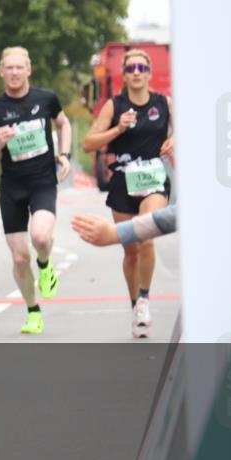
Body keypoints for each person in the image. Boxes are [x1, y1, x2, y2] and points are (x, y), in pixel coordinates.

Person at [81, 48, 173, 338]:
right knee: (131, 249)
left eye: (141, 68)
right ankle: (135, 305)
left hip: (155, 179)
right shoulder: (114, 106)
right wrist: (117, 130)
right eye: (131, 67)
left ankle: (144, 300)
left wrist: (176, 140)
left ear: (148, 73)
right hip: (123, 182)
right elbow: (88, 144)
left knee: (145, 237)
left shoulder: (164, 103)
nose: (136, 72)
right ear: (124, 73)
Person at [0, 46, 71, 335]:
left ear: (29, 70)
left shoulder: (46, 99)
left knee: (41, 236)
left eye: (20, 67)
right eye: (9, 67)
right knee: (20, 257)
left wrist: (64, 153)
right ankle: (33, 312)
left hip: (42, 181)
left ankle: (45, 266)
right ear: (1, 71)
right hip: (12, 187)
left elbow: (63, 123)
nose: (15, 72)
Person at [72, 205, 177, 248]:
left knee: (146, 244)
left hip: (153, 183)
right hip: (122, 183)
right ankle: (135, 294)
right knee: (131, 252)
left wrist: (115, 233)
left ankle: (144, 294)